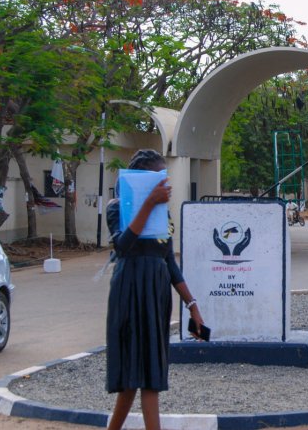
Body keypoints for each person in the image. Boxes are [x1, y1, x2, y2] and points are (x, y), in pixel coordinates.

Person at [105, 149, 204, 430]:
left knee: (150, 369)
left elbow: (169, 262)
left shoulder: (164, 214)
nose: (166, 185)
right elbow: (122, 246)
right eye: (159, 179)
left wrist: (192, 305)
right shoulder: (117, 207)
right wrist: (148, 204)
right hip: (130, 292)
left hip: (156, 293)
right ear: (143, 181)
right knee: (135, 372)